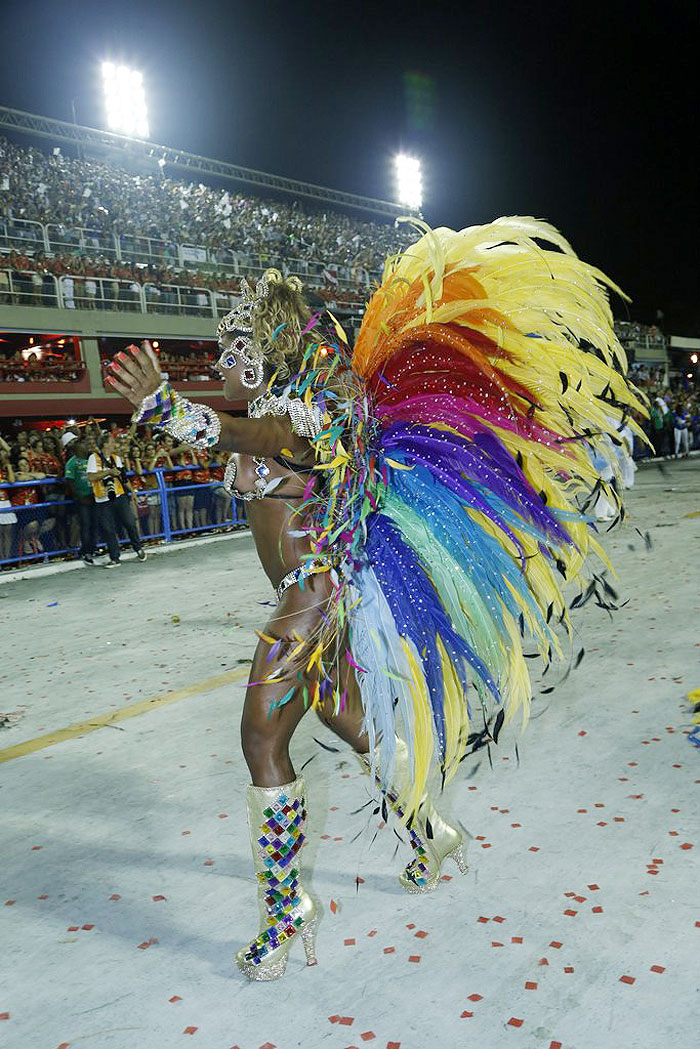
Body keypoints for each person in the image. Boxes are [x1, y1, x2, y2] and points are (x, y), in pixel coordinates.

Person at [106, 222, 646, 983]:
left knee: (262, 742)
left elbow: (253, 434)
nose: (221, 363)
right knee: (348, 722)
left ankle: (287, 911)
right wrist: (173, 417)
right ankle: (431, 831)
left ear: (268, 354)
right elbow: (239, 440)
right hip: (313, 600)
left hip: (312, 598)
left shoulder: (309, 416)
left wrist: (170, 408)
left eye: (233, 351)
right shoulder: (278, 416)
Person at [86, 432, 147, 568]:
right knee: (108, 529)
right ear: (105, 444)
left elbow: (123, 478)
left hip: (119, 495)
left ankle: (138, 548)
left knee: (130, 523)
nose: (114, 444)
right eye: (112, 441)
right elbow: (91, 477)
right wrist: (108, 472)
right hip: (102, 499)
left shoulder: (116, 459)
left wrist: (132, 492)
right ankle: (115, 558)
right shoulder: (93, 458)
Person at [62, 431, 98, 565]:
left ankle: (94, 548)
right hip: (82, 499)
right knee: (85, 525)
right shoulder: (72, 463)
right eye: (83, 445)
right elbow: (70, 482)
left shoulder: (91, 459)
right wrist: (79, 497)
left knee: (94, 524)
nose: (85, 447)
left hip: (94, 496)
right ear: (77, 448)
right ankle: (86, 551)